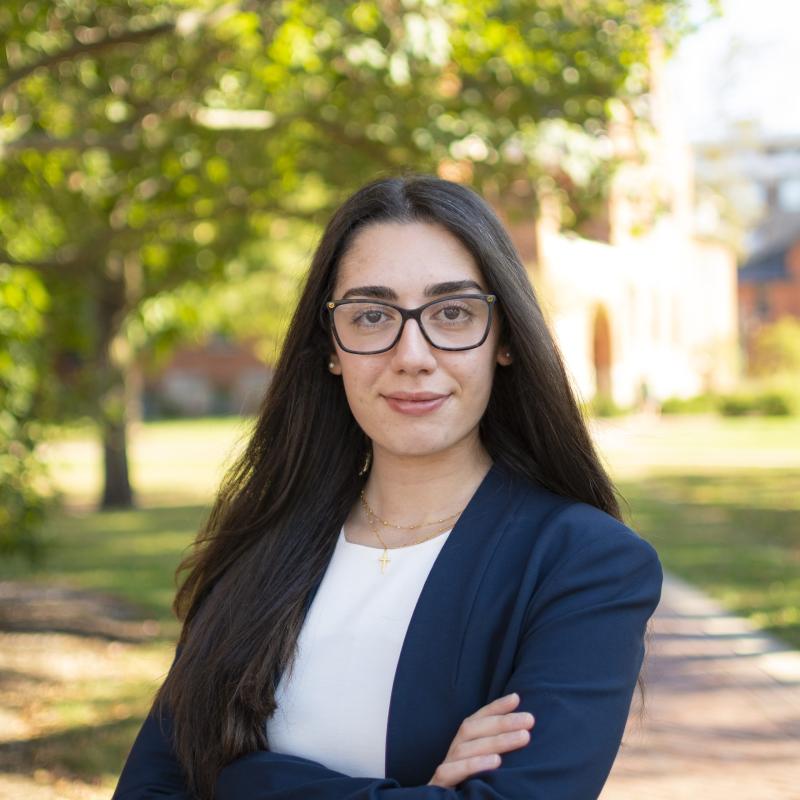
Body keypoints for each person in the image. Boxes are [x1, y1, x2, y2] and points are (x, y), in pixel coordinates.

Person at [112, 174, 663, 800]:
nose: (413, 354)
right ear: (331, 348)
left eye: (452, 313)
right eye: (372, 316)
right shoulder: (262, 546)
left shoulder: (585, 563)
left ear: (504, 338)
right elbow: (151, 788)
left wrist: (235, 781)